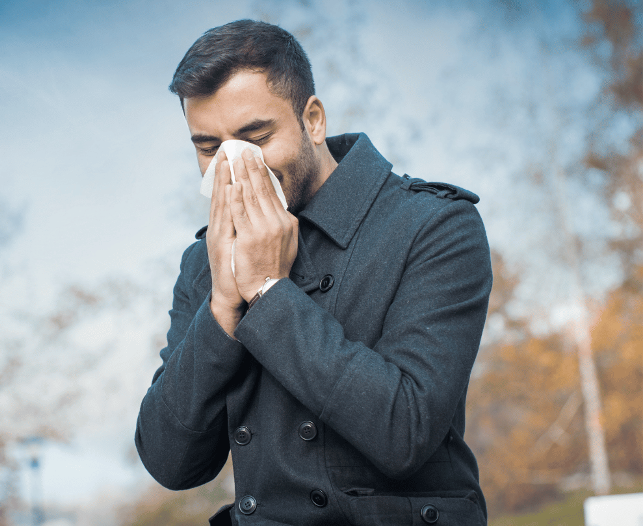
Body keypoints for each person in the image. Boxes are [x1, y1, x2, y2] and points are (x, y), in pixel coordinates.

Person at [135, 19, 492, 526]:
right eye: (209, 149)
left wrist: (267, 290)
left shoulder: (433, 224)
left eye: (256, 136)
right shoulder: (205, 260)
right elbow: (171, 462)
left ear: (314, 120)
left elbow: (405, 432)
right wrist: (221, 307)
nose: (236, 167)